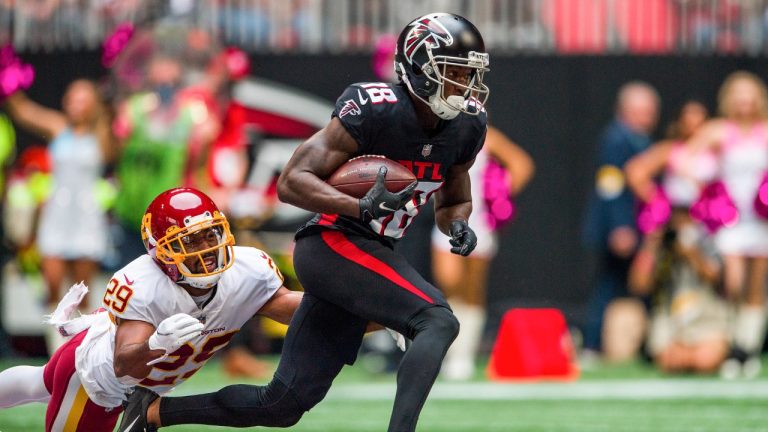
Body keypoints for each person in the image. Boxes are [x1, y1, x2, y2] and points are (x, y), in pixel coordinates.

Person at [118, 12, 490, 432]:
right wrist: (360, 206)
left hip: (371, 250)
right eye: (455, 73)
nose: (465, 87)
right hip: (333, 241)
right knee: (437, 319)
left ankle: (149, 414)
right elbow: (291, 181)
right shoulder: (377, 110)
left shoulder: (466, 127)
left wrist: (457, 224)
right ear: (418, 67)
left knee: (281, 404)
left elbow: (453, 199)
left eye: (470, 75)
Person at [0, 187, 302, 431]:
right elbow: (123, 366)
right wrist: (156, 345)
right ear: (163, 252)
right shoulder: (145, 285)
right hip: (99, 383)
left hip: (137, 379)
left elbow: (290, 307)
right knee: (40, 384)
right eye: (191, 241)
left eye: (210, 234)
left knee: (37, 383)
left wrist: (342, 303)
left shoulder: (248, 268)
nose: (207, 248)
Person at [3, 78, 115, 352]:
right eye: (71, 98)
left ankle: (83, 350)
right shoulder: (57, 126)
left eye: (82, 99)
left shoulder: (103, 135)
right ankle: (57, 351)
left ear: (93, 105)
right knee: (53, 285)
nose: (74, 105)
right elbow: (22, 110)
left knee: (83, 291)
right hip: (57, 214)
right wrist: (8, 80)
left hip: (86, 216)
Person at [626, 100, 729, 372]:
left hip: (710, 224)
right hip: (676, 221)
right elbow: (636, 171)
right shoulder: (671, 151)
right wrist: (659, 205)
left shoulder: (719, 151)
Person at [433, 125, 534, 379]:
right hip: (447, 217)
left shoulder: (486, 135)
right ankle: (449, 350)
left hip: (479, 221)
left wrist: (499, 196)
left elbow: (521, 164)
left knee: (472, 290)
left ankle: (463, 355)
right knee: (448, 283)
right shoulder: (439, 132)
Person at [686, 71, 768, 378]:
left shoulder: (765, 131)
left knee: (756, 287)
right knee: (732, 280)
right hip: (731, 219)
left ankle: (748, 348)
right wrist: (704, 189)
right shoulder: (718, 130)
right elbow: (684, 160)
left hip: (761, 219)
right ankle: (732, 341)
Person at [581, 81, 660, 359]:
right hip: (620, 227)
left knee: (639, 284)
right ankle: (592, 344)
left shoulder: (641, 139)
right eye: (641, 111)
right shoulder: (617, 138)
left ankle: (647, 342)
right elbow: (610, 184)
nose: (647, 117)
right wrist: (619, 226)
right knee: (608, 284)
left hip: (638, 224)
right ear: (625, 110)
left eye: (650, 111)